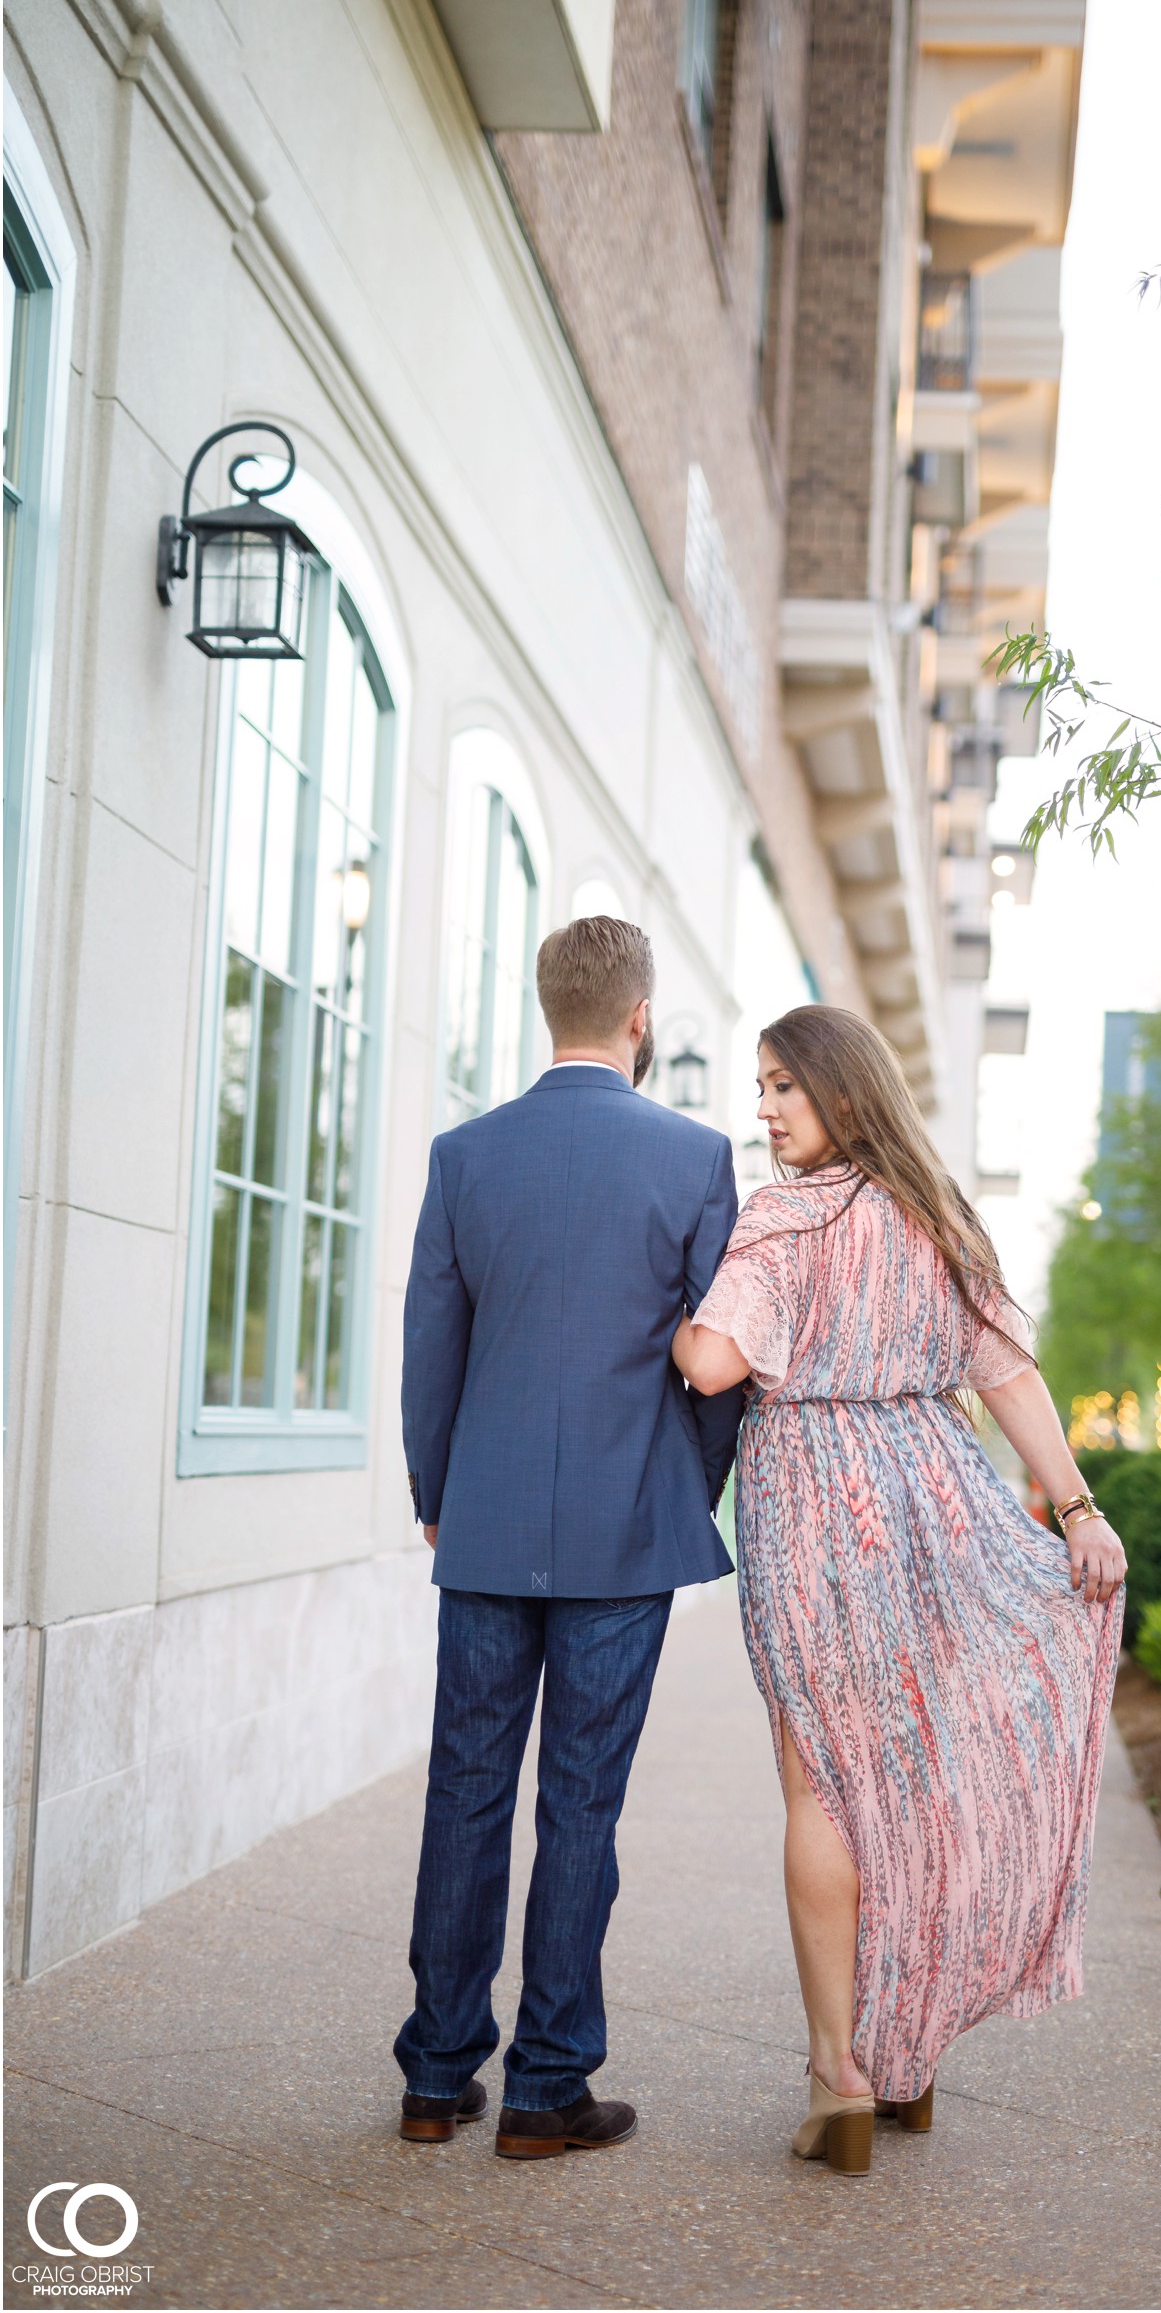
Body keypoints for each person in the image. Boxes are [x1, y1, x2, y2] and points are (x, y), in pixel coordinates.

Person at [673, 1004, 1127, 2176]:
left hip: (814, 1512)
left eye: (782, 1087)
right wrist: (1078, 1509)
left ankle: (841, 2079)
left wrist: (681, 1334)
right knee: (917, 1777)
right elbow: (1008, 1373)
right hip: (934, 1500)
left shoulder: (781, 1218)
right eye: (759, 1087)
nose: (764, 1109)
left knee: (821, 1785)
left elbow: (715, 1362)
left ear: (840, 1090)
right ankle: (909, 2061)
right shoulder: (935, 1214)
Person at [394, 916, 744, 2160]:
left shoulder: (464, 1155)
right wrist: (681, 1493)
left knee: (465, 1792)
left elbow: (432, 1342)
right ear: (639, 1016)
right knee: (581, 1808)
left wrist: (438, 1487)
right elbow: (721, 1366)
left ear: (551, 1008)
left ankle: (435, 2077)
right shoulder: (698, 1158)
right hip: (625, 1530)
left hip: (485, 1522)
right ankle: (546, 2090)